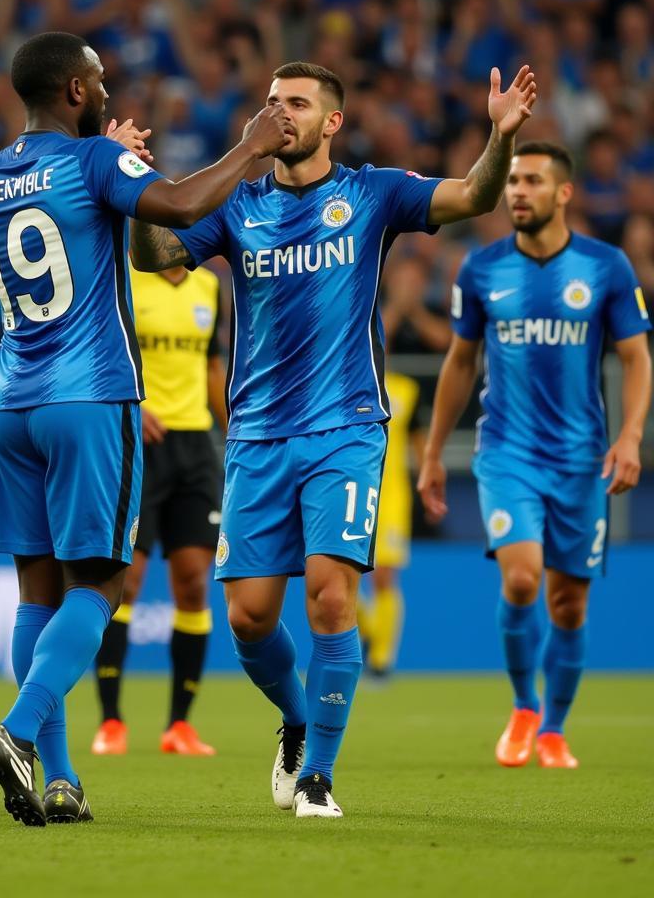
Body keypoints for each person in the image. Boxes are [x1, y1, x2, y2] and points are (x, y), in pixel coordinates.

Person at [130, 60, 537, 818]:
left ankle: (318, 774)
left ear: (332, 123)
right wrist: (137, 188)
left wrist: (500, 137)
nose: (281, 114)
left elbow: (475, 195)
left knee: (327, 593)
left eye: (297, 104)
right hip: (254, 435)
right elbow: (153, 255)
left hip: (345, 427)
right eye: (271, 102)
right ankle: (296, 718)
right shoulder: (238, 203)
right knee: (249, 616)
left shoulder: (372, 193)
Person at [0, 30, 287, 827]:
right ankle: (15, 731)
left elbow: (79, 217)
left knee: (37, 594)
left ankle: (64, 776)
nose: (108, 89)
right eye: (99, 80)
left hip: (8, 403)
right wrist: (249, 146)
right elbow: (179, 208)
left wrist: (109, 161)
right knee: (103, 587)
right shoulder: (95, 164)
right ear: (75, 91)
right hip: (90, 398)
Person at [417, 141, 651, 770]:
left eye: (532, 182)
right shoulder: (481, 268)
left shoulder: (606, 268)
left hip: (580, 461)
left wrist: (629, 435)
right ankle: (523, 708)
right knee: (522, 578)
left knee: (568, 601)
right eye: (513, 181)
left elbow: (635, 357)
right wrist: (434, 452)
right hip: (507, 452)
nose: (517, 191)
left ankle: (554, 728)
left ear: (563, 193)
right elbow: (461, 362)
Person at [91, 262, 228, 757]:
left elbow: (212, 363)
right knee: (125, 579)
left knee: (193, 582)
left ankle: (179, 726)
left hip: (195, 449)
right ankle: (110, 720)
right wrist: (133, 403)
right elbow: (103, 353)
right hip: (139, 442)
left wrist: (231, 430)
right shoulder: (126, 279)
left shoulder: (209, 287)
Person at [357, 368, 424, 679]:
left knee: (384, 577)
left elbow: (419, 439)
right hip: (352, 491)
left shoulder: (406, 389)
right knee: (334, 575)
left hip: (393, 498)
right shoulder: (348, 380)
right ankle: (369, 630)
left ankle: (381, 661)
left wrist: (427, 479)